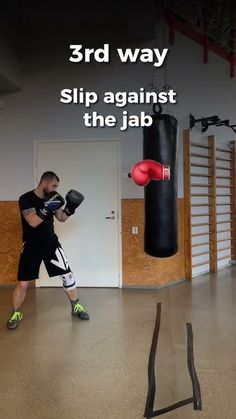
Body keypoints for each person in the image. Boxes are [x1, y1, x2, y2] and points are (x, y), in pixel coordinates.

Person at [6, 171, 89, 330]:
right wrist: (47, 206)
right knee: (23, 283)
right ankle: (15, 312)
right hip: (31, 244)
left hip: (50, 241)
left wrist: (70, 209)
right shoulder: (26, 198)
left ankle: (76, 305)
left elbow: (61, 218)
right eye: (54, 185)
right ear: (44, 183)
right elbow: (32, 222)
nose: (56, 188)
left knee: (67, 274)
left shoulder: (54, 197)